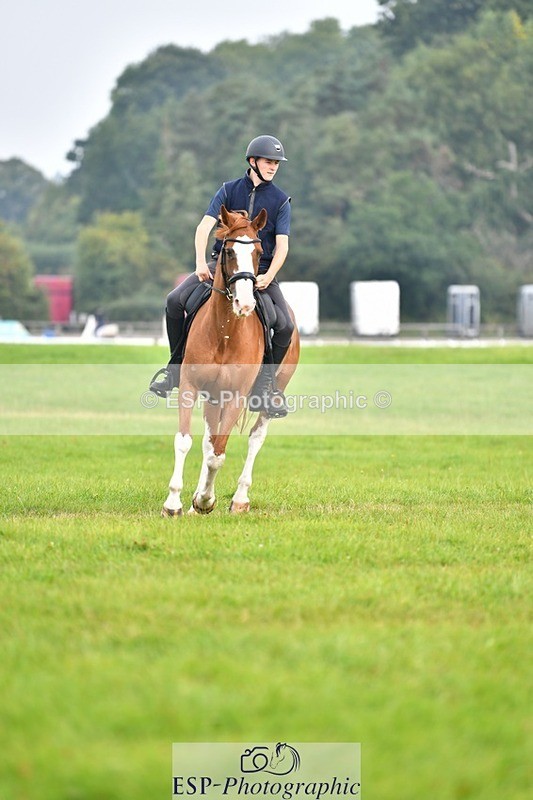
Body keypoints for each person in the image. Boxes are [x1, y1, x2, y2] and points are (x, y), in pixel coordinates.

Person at [149, 134, 294, 417]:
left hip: (259, 272)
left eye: (276, 162)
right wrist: (199, 261)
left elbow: (283, 246)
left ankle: (266, 386)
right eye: (268, 161)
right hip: (221, 267)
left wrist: (269, 275)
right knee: (175, 301)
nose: (273, 166)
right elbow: (204, 227)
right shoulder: (228, 190)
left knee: (285, 325)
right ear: (252, 161)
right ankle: (174, 370)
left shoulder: (280, 201)